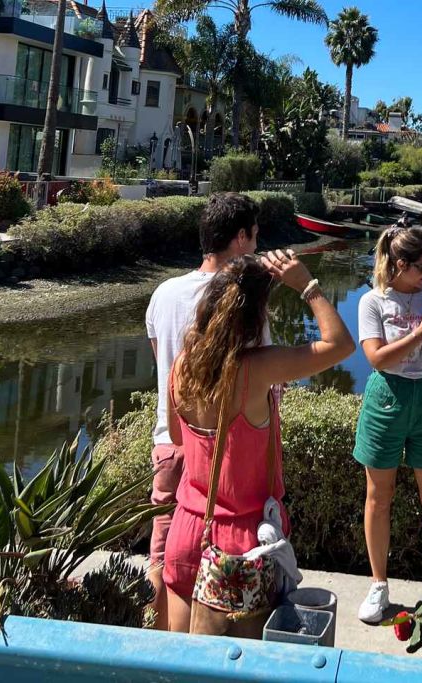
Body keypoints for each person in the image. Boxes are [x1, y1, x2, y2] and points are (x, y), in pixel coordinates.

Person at [164, 251, 355, 634]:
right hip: (241, 541)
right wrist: (307, 286)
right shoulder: (256, 369)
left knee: (183, 653)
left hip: (188, 527)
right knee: (240, 661)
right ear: (256, 317)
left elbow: (175, 435)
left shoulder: (183, 363)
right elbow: (340, 344)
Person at [144, 192, 263, 630]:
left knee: (164, 555)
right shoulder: (244, 300)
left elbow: (164, 367)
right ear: (240, 237)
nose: (257, 246)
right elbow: (264, 380)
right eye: (254, 236)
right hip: (223, 454)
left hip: (169, 440)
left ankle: (159, 641)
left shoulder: (164, 293)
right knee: (226, 560)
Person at [353, 226, 422, 623]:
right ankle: (378, 584)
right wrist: (421, 333)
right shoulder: (372, 301)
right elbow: (377, 358)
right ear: (400, 264)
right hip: (387, 397)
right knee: (379, 497)